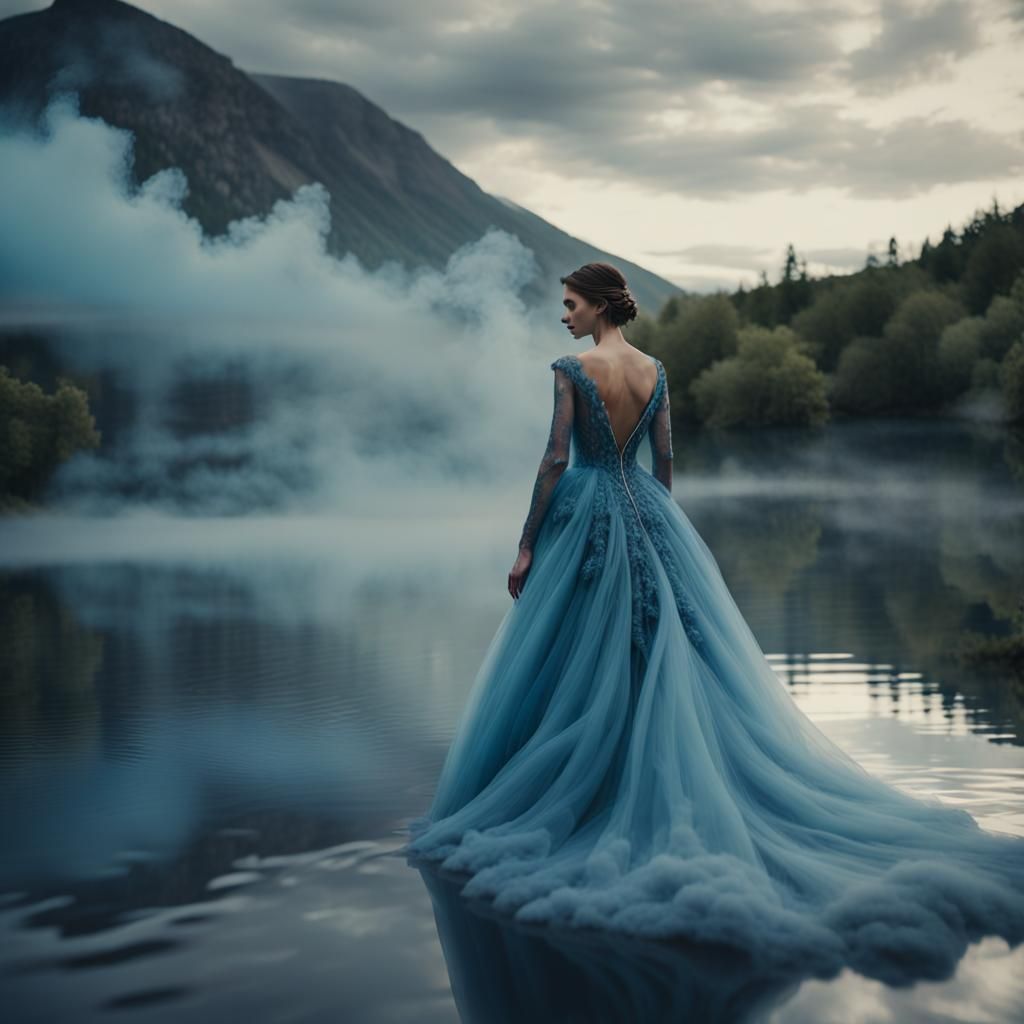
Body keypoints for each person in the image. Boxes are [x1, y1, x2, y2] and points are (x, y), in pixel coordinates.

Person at [401, 262, 1024, 979]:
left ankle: (594, 796)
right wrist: (659, 528)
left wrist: (525, 544)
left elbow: (553, 459)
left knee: (583, 659)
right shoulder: (655, 371)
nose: (563, 316)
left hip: (587, 516)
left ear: (599, 305)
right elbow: (665, 459)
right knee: (659, 653)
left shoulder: (572, 370)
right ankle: (649, 784)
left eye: (570, 304)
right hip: (648, 513)